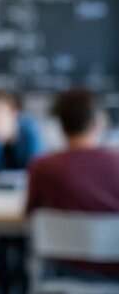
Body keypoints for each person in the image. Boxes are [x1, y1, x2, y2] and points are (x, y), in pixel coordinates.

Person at [26, 88, 119, 278]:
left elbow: (30, 214)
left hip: (62, 271)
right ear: (97, 124)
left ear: (60, 126)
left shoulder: (41, 167)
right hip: (113, 270)